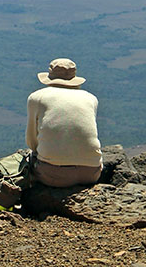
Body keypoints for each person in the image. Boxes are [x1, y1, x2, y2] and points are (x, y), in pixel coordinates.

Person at [25, 58, 102, 187]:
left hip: (52, 174)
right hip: (91, 173)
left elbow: (32, 141)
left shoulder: (37, 97)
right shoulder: (91, 98)